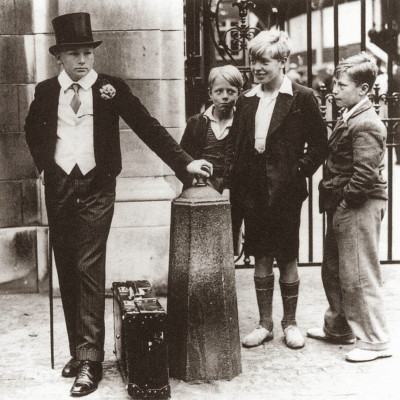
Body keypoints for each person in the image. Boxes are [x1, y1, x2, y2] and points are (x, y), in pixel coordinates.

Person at [24, 13, 212, 397]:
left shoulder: (111, 88)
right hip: (60, 186)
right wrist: (45, 165)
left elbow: (147, 126)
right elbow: (31, 128)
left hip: (97, 187)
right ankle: (80, 348)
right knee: (67, 266)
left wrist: (184, 162)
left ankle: (91, 360)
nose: (82, 60)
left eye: (87, 53)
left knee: (89, 265)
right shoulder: (46, 92)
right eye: (74, 53)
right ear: (59, 56)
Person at [227, 30, 327, 349]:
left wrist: (298, 169)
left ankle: (290, 323)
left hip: (285, 192)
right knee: (260, 256)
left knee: (287, 257)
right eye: (253, 60)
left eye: (264, 61)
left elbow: (321, 144)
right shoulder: (246, 100)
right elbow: (239, 147)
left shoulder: (302, 97)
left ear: (283, 62)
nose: (256, 67)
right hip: (253, 191)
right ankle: (265, 323)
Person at [307, 53, 392, 363]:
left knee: (358, 272)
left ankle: (375, 340)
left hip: (359, 204)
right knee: (335, 269)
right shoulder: (352, 115)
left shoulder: (366, 122)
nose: (335, 90)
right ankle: (339, 328)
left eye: (342, 85)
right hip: (347, 203)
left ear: (364, 89)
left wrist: (345, 204)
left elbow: (366, 174)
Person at [180, 65, 243, 195]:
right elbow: (182, 158)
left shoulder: (243, 124)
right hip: (200, 186)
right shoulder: (196, 123)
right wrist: (192, 181)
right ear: (210, 93)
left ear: (239, 93)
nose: (224, 96)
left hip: (232, 189)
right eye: (218, 91)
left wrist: (229, 188)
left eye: (231, 91)